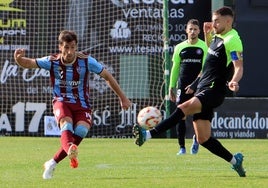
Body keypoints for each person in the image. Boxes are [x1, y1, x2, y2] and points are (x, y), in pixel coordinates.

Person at [133, 6, 246, 177]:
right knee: (203, 139)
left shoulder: (233, 39)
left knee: (184, 108)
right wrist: (209, 36)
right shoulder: (218, 36)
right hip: (203, 87)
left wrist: (234, 81)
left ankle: (147, 135)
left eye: (217, 20)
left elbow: (239, 66)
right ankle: (235, 161)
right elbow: (212, 54)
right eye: (213, 20)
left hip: (214, 90)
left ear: (228, 21)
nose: (213, 23)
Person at [13, 30, 131, 179]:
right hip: (61, 101)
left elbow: (107, 76)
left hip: (82, 104)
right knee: (66, 125)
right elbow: (27, 63)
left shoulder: (86, 61)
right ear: (60, 47)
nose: (70, 51)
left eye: (73, 47)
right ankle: (70, 149)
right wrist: (18, 59)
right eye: (67, 47)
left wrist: (123, 97)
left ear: (76, 47)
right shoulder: (52, 61)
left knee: (81, 131)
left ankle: (52, 162)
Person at [169, 19, 207, 155]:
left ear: (199, 31)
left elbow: (204, 70)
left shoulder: (204, 47)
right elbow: (175, 68)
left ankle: (196, 140)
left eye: (195, 29)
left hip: (198, 86)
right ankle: (182, 147)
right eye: (190, 29)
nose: (193, 32)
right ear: (186, 30)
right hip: (182, 86)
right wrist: (171, 86)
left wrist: (195, 85)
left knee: (197, 116)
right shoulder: (179, 47)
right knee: (181, 115)